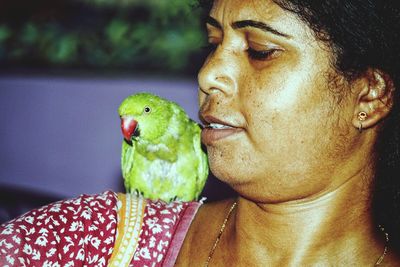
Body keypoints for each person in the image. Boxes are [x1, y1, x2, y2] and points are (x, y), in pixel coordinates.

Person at [1, 0, 400, 266]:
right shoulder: (92, 237)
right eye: (213, 43)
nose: (207, 74)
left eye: (260, 50)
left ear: (369, 95)